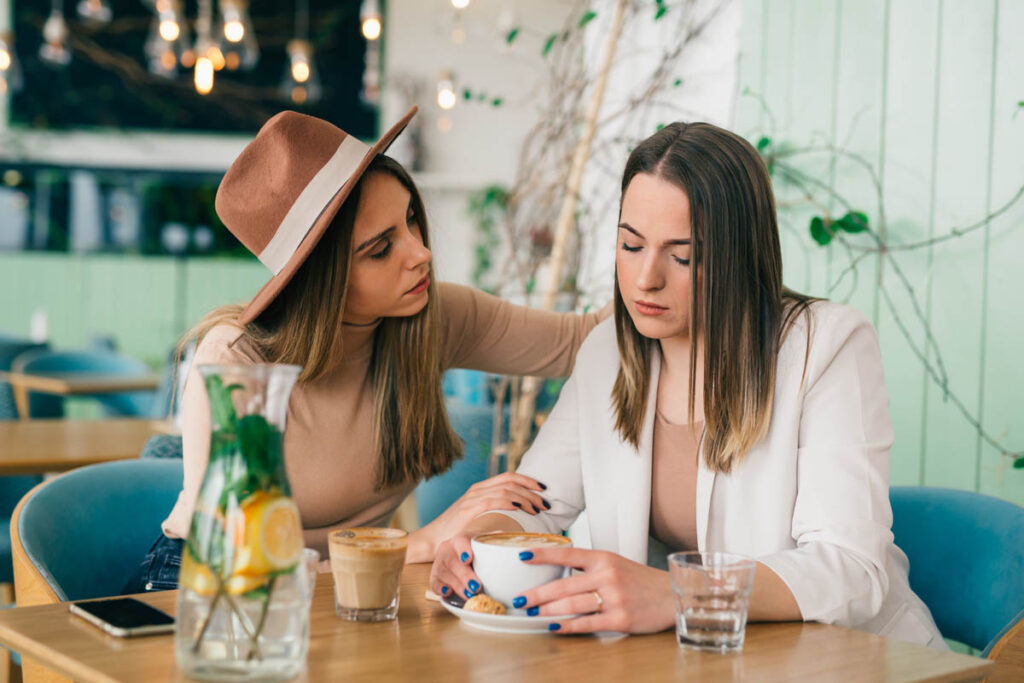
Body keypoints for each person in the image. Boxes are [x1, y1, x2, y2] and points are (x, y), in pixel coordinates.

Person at [430, 121, 946, 649]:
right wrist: (482, 539)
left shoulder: (827, 345)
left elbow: (851, 569)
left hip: (846, 658)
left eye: (683, 257)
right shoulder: (607, 352)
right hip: (691, 661)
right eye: (630, 246)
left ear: (739, 257)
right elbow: (536, 501)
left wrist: (678, 593)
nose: (645, 279)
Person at [128, 107, 607, 592]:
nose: (421, 253)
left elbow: (587, 339)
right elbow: (244, 566)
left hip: (359, 587)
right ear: (321, 279)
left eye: (411, 220)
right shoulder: (237, 358)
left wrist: (669, 264)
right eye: (380, 249)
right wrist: (418, 543)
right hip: (211, 590)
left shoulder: (433, 318)